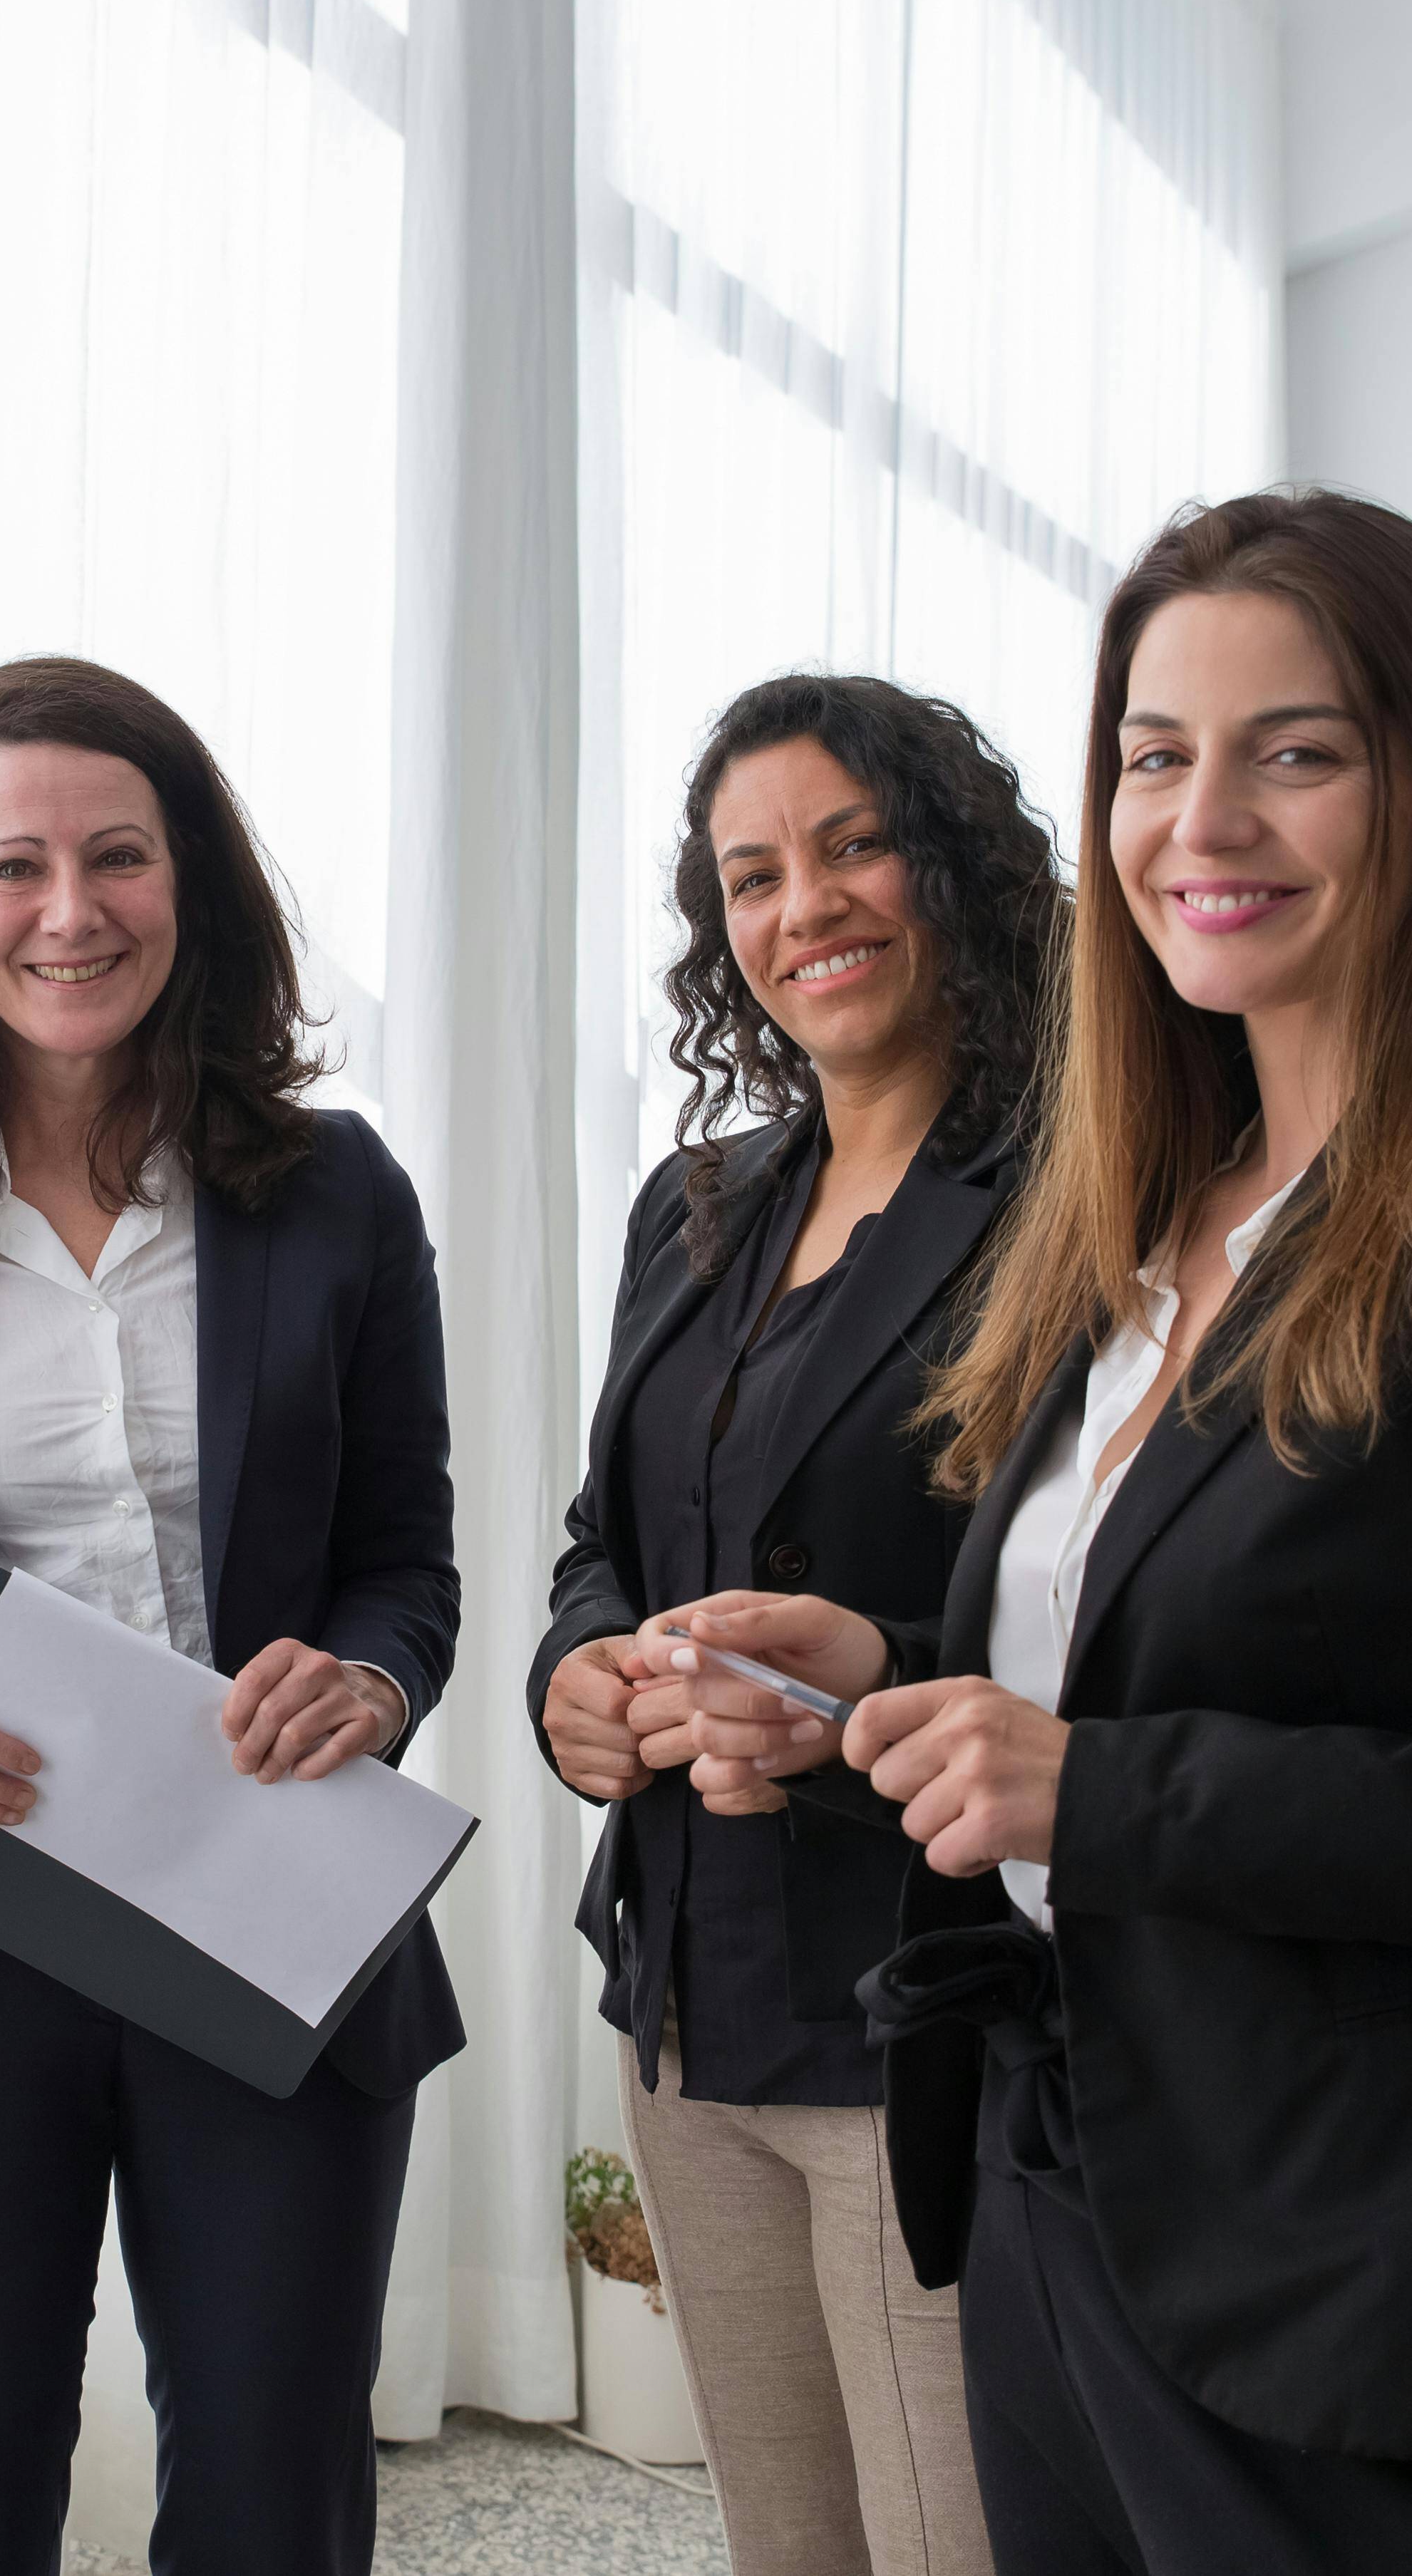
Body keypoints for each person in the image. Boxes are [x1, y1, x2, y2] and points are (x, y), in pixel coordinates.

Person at [662, 491, 1412, 2576]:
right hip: (1062, 2181)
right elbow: (1196, 1668)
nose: (1208, 823)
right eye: (1154, 755)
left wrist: (1098, 1792)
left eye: (1300, 752)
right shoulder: (1143, 1215)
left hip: (1376, 2245)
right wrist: (904, 1693)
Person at [0, 655, 461, 2576]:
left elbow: (409, 1555)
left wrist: (374, 1677)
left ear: (191, 886)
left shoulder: (336, 1195)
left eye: (119, 857)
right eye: (16, 867)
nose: (72, 912)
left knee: (272, 2499)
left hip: (270, 1900)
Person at [530, 675, 1059, 2575]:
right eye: (752, 875)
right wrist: (575, 1685)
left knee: (950, 2541)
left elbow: (1106, 1600)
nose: (805, 906)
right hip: (685, 1990)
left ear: (955, 864)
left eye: (851, 845)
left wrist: (870, 1691)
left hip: (920, 1998)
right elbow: (608, 1537)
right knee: (787, 2540)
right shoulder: (700, 1204)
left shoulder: (1075, 1196)